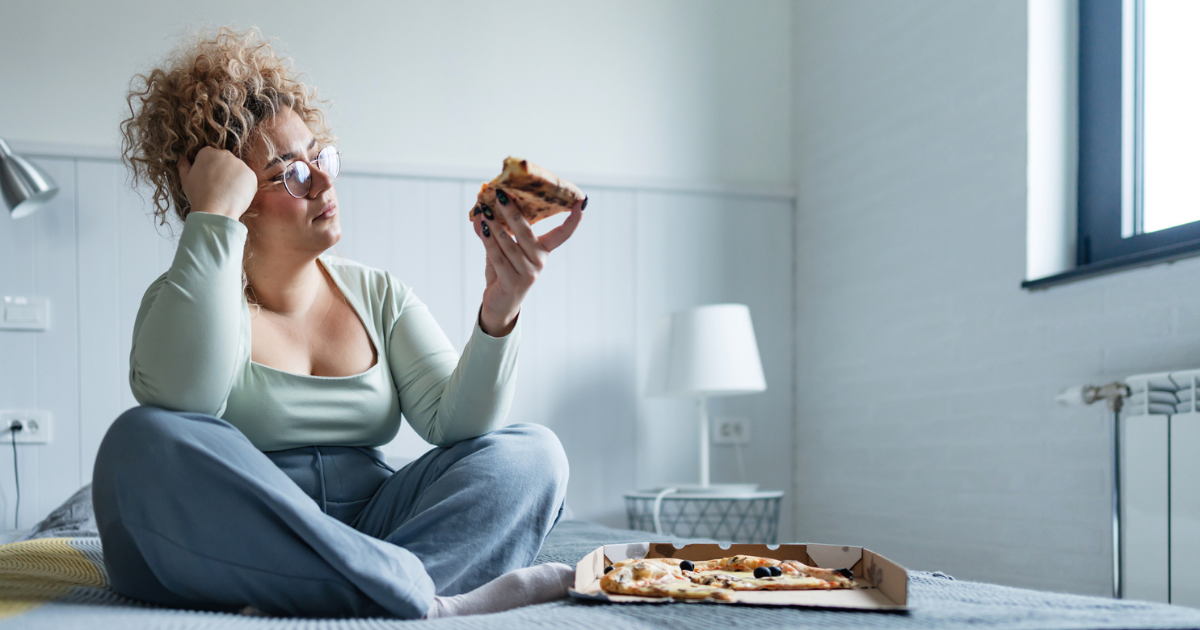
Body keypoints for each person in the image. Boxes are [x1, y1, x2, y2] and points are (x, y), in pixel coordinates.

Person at [90, 26, 584, 619]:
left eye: (319, 156)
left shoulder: (378, 294)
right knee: (138, 441)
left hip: (378, 525)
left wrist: (500, 309)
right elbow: (184, 397)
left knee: (534, 454)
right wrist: (211, 215)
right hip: (251, 536)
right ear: (235, 195)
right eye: (291, 173)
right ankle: (406, 591)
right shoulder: (183, 298)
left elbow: (457, 425)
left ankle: (349, 591)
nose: (324, 181)